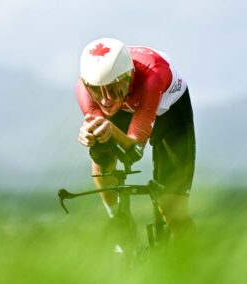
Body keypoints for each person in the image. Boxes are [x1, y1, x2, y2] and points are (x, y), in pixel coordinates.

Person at [76, 38, 196, 242]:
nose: (105, 99)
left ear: (129, 76)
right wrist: (90, 135)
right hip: (127, 105)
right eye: (96, 90)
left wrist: (112, 131)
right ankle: (118, 220)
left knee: (173, 207)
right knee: (99, 148)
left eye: (113, 88)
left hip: (169, 112)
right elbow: (103, 141)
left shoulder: (153, 76)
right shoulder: (83, 90)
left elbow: (134, 152)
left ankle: (193, 264)